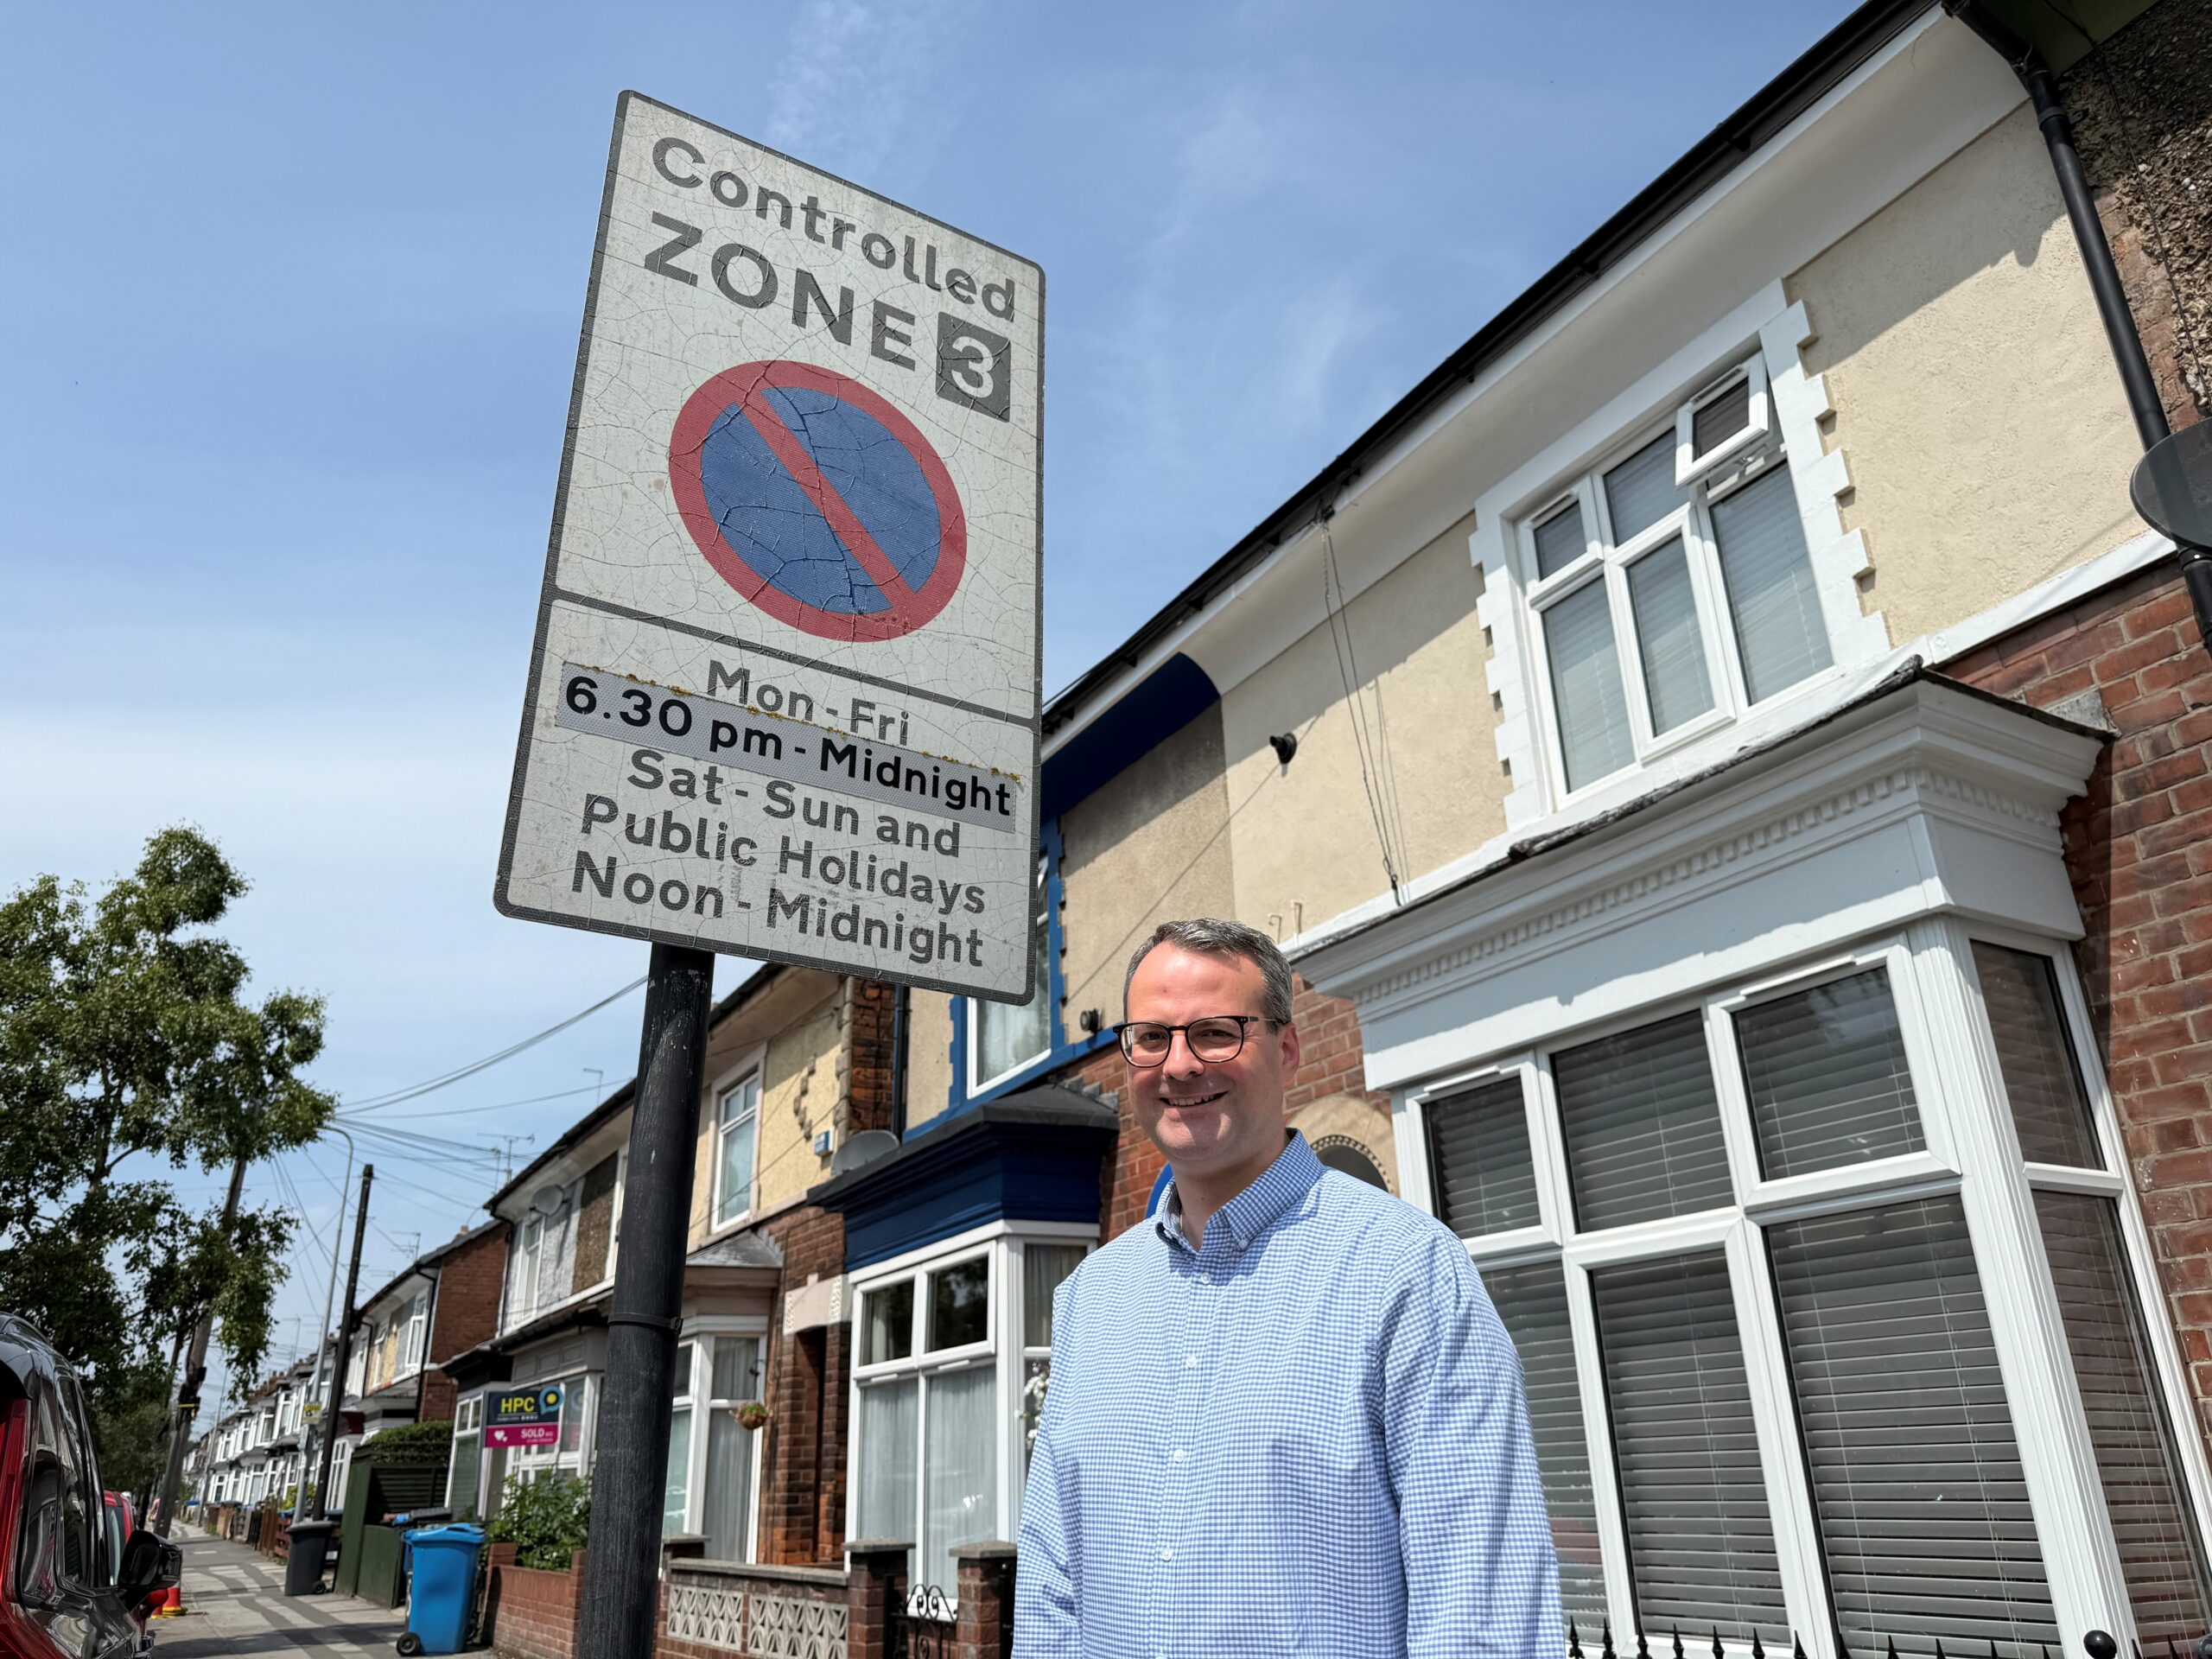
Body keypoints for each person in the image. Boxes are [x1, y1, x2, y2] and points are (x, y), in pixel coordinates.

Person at [1014, 918, 1558, 1658]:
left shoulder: (1407, 1271)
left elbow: (1479, 1611)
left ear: (1289, 1049)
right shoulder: (1090, 1297)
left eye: (1215, 1032)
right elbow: (1053, 1581)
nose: (1178, 1066)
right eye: (1152, 1037)